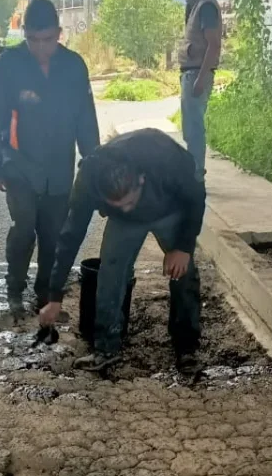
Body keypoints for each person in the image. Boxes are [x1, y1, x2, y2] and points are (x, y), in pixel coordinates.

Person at [39, 129, 206, 374]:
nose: (128, 208)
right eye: (119, 205)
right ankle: (106, 348)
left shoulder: (164, 156)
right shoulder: (89, 179)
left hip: (170, 210)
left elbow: (196, 196)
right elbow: (70, 236)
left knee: (184, 272)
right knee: (110, 273)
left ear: (141, 178)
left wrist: (183, 247)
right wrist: (54, 296)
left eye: (129, 202)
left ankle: (187, 347)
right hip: (124, 226)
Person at [0, 0, 100, 318]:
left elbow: (86, 120)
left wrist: (94, 165)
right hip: (19, 162)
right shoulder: (8, 65)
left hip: (59, 167)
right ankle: (14, 289)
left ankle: (47, 295)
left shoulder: (74, 66)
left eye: (47, 39)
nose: (40, 48)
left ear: (59, 33)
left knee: (54, 233)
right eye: (33, 40)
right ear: (25, 35)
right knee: (24, 227)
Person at [179, 0, 222, 182]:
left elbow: (213, 45)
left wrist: (201, 79)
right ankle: (193, 172)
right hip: (192, 73)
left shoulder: (206, 7)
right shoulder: (197, 5)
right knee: (190, 127)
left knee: (194, 128)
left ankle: (196, 176)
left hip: (197, 74)